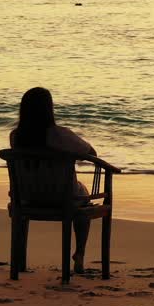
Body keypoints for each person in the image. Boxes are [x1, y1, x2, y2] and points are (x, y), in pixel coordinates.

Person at [10, 87, 96, 269]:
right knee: (85, 200)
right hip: (61, 198)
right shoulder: (60, 135)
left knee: (78, 196)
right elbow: (91, 153)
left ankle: (19, 261)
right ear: (49, 109)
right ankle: (79, 253)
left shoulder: (16, 137)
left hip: (27, 198)